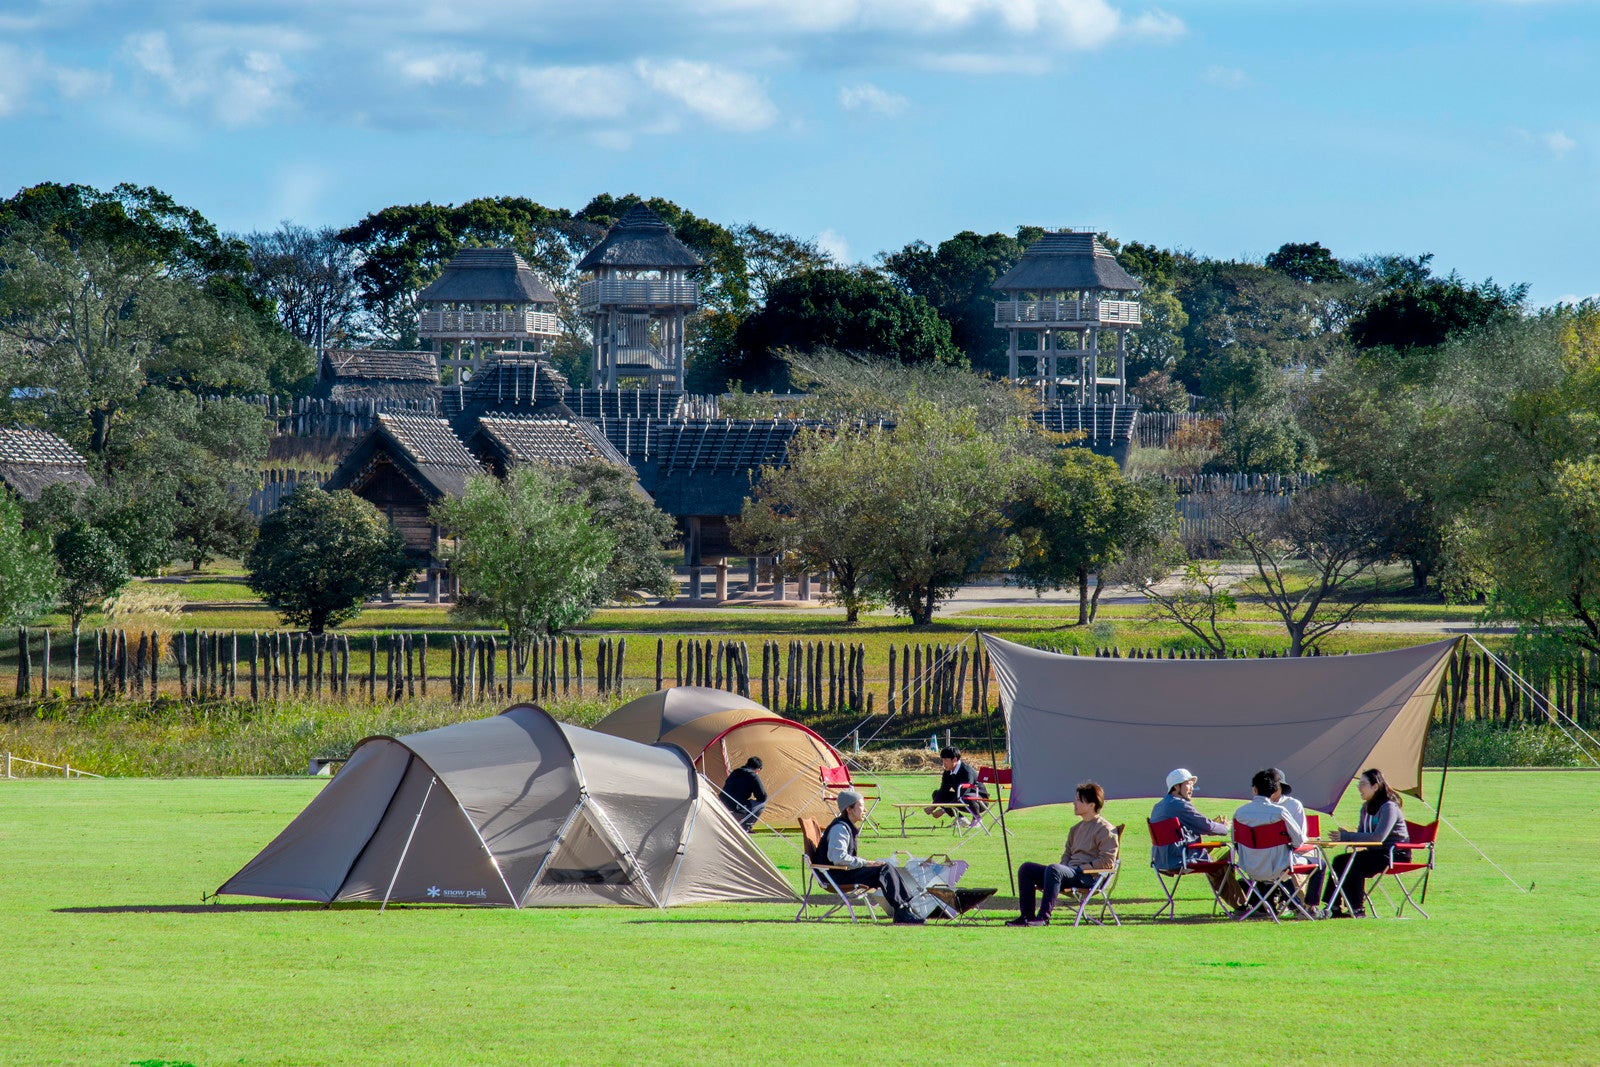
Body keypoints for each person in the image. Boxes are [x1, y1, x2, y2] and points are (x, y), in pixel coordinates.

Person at [1006, 780, 1119, 927]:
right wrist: (1064, 868)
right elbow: (1067, 854)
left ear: (1092, 805)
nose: (1074, 803)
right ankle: (1026, 916)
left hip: (1088, 877)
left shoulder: (1105, 829)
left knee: (1055, 869)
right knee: (1027, 869)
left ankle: (1043, 918)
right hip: (1069, 873)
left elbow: (1108, 862)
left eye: (1079, 800)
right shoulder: (1075, 829)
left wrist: (1080, 868)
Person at [817, 790, 927, 925]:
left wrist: (867, 863)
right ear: (849, 809)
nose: (865, 809)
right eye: (861, 805)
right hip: (836, 876)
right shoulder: (839, 829)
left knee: (884, 867)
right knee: (884, 869)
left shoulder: (845, 826)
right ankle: (902, 910)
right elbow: (838, 858)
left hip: (842, 872)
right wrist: (865, 863)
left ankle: (904, 908)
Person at [1149, 768, 1246, 909]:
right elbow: (1207, 826)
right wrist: (1225, 827)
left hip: (1162, 860)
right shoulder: (1180, 805)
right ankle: (1242, 906)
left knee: (1218, 859)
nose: (1192, 788)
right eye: (1188, 784)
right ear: (1176, 787)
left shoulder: (1159, 806)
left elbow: (1195, 827)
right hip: (1181, 858)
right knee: (1225, 859)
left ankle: (1243, 901)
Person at [1321, 767, 1410, 918]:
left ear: (1375, 786)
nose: (1358, 788)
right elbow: (1363, 834)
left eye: (1363, 784)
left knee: (1355, 863)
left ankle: (1357, 909)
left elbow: (1378, 837)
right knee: (1340, 860)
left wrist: (1348, 836)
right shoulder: (1365, 808)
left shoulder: (1389, 807)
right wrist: (1345, 836)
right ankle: (1333, 906)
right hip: (1375, 853)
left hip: (1394, 854)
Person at [1231, 768, 1309, 916]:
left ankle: (1267, 904)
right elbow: (1298, 841)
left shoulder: (1239, 813)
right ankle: (1303, 905)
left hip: (1249, 867)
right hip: (1277, 867)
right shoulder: (1280, 812)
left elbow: (1235, 842)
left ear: (1254, 789)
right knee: (1317, 863)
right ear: (1274, 789)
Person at [925, 746, 986, 827]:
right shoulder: (947, 772)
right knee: (937, 794)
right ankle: (961, 819)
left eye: (946, 760)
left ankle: (977, 819)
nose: (944, 763)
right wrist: (933, 807)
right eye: (942, 760)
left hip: (979, 801)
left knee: (966, 797)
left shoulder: (966, 771)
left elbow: (963, 793)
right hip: (961, 798)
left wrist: (943, 810)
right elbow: (943, 790)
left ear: (954, 759)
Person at [719, 756, 767, 832]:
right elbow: (762, 797)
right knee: (762, 804)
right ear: (758, 769)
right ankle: (745, 827)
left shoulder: (734, 773)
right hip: (736, 809)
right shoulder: (753, 775)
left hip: (721, 806)